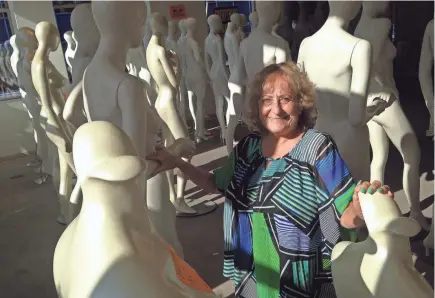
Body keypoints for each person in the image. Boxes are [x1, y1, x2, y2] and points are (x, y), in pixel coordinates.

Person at [147, 62, 394, 297]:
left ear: (301, 104)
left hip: (301, 283)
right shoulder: (247, 148)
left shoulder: (316, 148)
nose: (276, 109)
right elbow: (215, 183)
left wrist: (362, 208)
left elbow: (346, 214)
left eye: (285, 99)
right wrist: (177, 162)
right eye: (267, 100)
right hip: (252, 276)